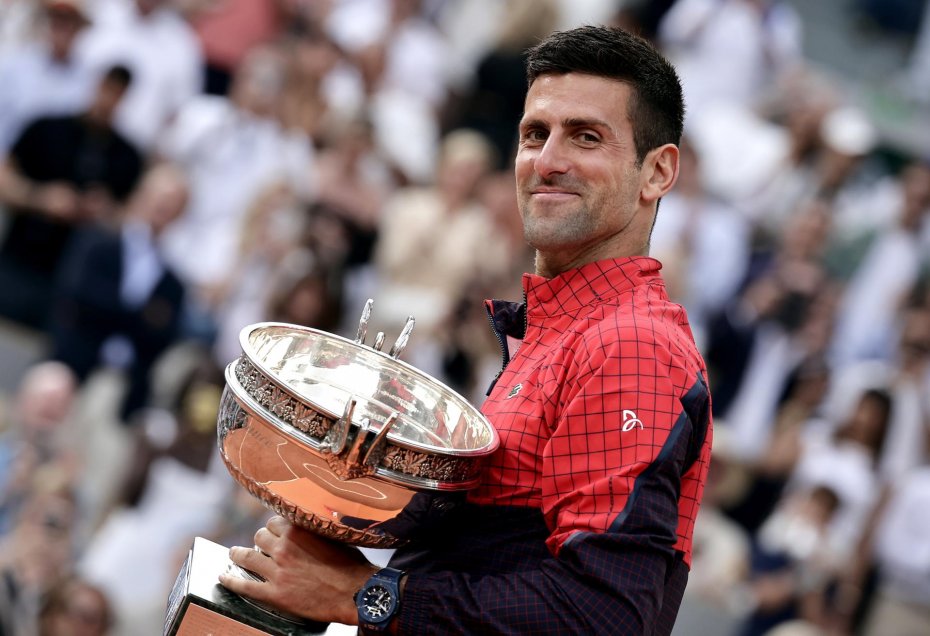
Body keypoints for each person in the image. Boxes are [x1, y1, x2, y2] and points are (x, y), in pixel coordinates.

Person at [220, 25, 713, 635]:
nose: (548, 161)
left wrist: (366, 594)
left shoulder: (631, 345)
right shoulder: (569, 329)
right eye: (535, 134)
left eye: (587, 137)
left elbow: (604, 616)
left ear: (658, 173)